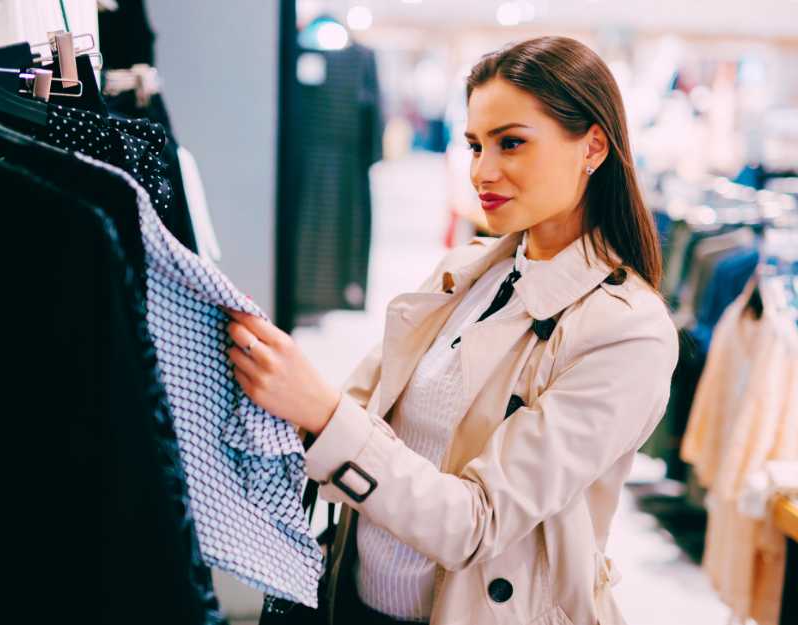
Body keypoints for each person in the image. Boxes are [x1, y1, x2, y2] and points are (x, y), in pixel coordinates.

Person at [228, 36, 675, 624]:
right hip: (356, 600)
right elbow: (363, 420)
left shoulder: (627, 333)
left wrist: (320, 411)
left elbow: (478, 521)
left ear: (592, 146)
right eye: (474, 145)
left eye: (511, 143)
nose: (481, 171)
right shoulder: (462, 276)